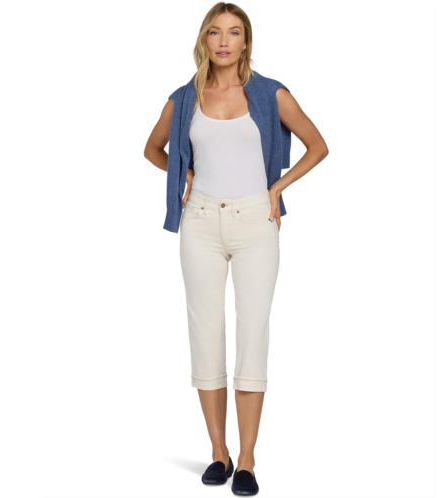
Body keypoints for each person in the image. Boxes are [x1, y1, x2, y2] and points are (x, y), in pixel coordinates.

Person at [144, 3, 329, 495]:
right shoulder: (184, 98)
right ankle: (218, 452)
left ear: (246, 41)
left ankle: (246, 459)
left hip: (255, 221)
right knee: (205, 334)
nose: (223, 41)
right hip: (200, 221)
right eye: (214, 32)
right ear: (204, 40)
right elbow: (152, 148)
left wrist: (278, 187)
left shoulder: (271, 93)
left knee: (252, 334)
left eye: (233, 32)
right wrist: (183, 171)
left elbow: (317, 145)